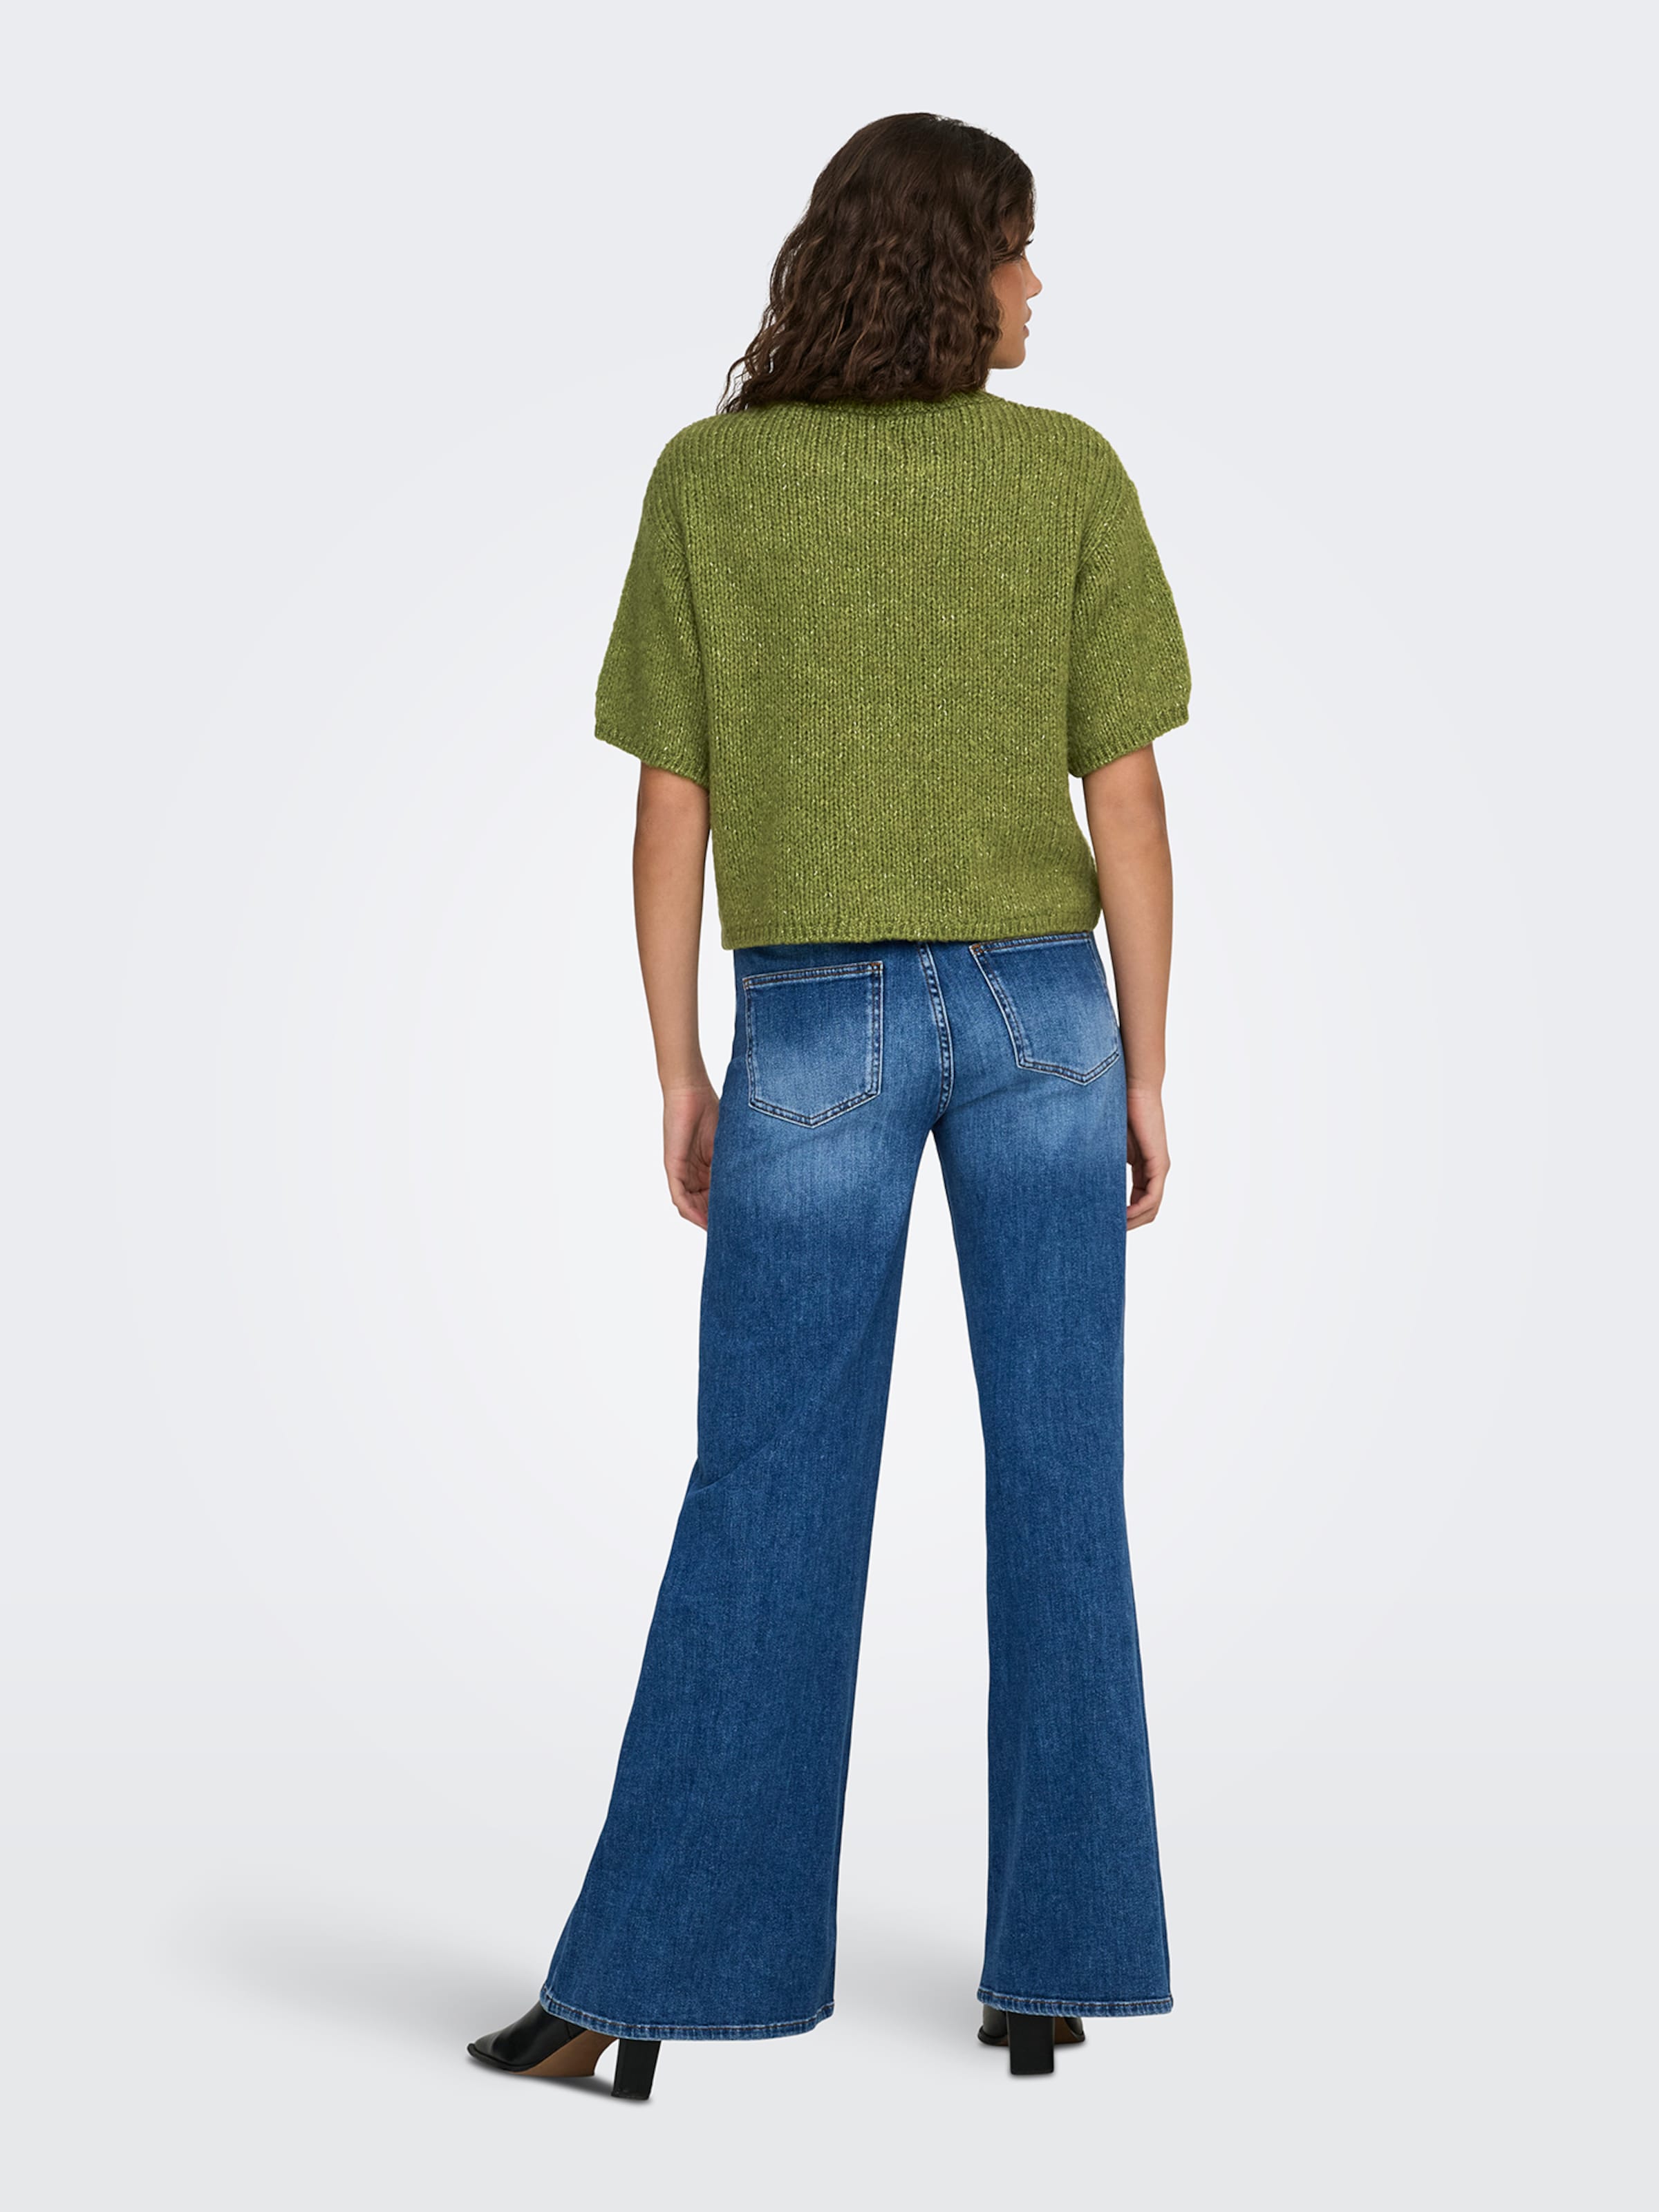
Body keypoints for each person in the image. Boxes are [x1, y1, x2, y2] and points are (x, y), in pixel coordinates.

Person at [467, 111, 1191, 2102]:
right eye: (1019, 250)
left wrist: (677, 1067)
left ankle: (642, 1991)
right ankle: (1056, 1971)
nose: (1037, 287)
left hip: (810, 1031)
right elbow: (1127, 801)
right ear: (954, 267)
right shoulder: (1063, 476)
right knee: (1063, 1487)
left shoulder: (714, 483)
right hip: (1046, 1017)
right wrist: (1145, 1065)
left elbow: (670, 808)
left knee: (768, 1489)